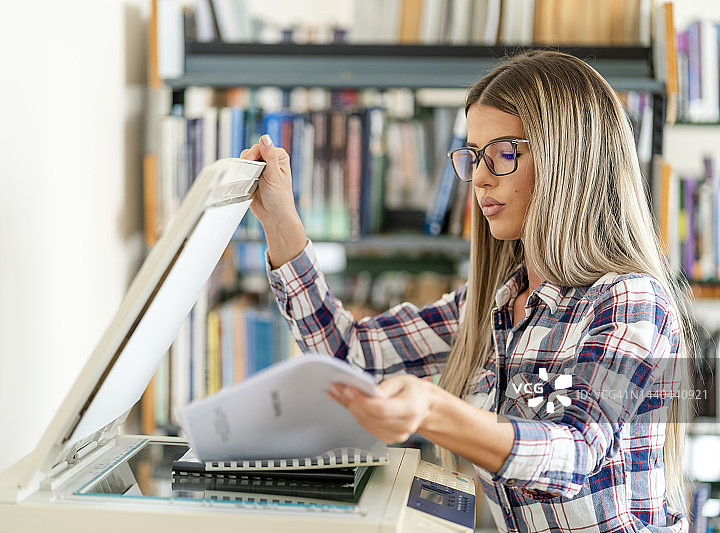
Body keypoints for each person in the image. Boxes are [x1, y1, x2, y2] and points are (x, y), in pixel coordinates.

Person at [241, 50, 693, 532]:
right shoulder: (493, 305)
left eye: (503, 152)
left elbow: (574, 453)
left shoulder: (630, 302)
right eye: (474, 156)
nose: (478, 177)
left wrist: (433, 409)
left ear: (568, 159)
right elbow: (349, 356)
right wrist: (281, 222)